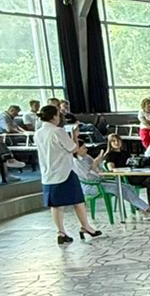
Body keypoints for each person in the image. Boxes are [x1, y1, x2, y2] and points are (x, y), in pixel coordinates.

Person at [36, 104, 102, 243]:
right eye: (58, 114)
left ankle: (61, 232)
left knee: (56, 204)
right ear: (54, 116)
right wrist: (74, 135)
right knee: (78, 200)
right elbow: (73, 149)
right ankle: (86, 226)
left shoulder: (38, 132)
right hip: (64, 171)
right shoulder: (58, 131)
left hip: (48, 172)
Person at [73, 135, 150, 219]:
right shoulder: (76, 162)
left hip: (100, 180)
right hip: (92, 186)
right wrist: (95, 165)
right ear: (77, 149)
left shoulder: (87, 157)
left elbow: (98, 169)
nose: (86, 149)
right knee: (122, 188)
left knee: (128, 187)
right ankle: (147, 209)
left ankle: (142, 209)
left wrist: (98, 165)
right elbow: (89, 177)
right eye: (84, 148)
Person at [106, 130, 150, 208]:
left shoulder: (125, 153)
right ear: (110, 143)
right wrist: (125, 170)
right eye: (113, 141)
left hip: (134, 174)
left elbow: (131, 163)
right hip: (125, 177)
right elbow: (111, 169)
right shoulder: (110, 155)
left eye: (118, 140)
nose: (116, 142)